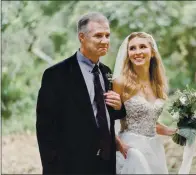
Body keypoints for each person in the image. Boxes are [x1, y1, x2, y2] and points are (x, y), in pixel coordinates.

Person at [36, 12, 126, 174]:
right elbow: (45, 128)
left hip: (106, 164)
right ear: (82, 37)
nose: (105, 41)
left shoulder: (107, 72)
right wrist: (52, 167)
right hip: (71, 165)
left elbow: (107, 115)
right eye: (98, 35)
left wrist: (119, 106)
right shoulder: (56, 74)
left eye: (107, 35)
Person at [111, 32, 177, 174]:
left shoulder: (157, 84)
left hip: (154, 149)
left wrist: (176, 131)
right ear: (127, 53)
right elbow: (109, 118)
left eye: (142, 47)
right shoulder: (120, 82)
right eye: (132, 48)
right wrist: (119, 145)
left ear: (152, 52)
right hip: (131, 149)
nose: (137, 52)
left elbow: (150, 121)